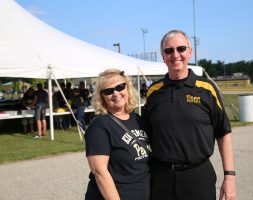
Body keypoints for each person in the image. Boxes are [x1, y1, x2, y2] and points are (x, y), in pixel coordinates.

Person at [142, 30, 236, 200]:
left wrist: (229, 177)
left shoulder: (207, 89)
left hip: (198, 176)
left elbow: (223, 133)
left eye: (181, 49)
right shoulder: (153, 92)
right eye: (169, 50)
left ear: (190, 52)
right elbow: (144, 135)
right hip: (161, 177)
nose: (175, 55)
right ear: (163, 56)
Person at [84, 69, 150, 200]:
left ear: (127, 89)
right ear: (101, 97)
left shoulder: (137, 119)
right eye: (108, 91)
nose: (115, 93)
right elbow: (99, 171)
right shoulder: (100, 126)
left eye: (120, 87)